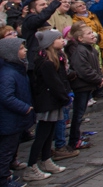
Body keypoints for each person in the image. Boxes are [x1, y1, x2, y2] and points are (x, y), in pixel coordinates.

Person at [26, 30, 71, 181]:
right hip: (47, 101)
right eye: (58, 38)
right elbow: (54, 83)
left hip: (54, 100)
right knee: (42, 135)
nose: (61, 40)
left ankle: (46, 160)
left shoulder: (57, 58)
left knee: (49, 133)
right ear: (50, 43)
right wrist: (64, 97)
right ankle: (31, 166)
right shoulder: (46, 62)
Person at [0, 36, 35, 187]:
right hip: (9, 120)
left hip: (14, 120)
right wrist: (24, 108)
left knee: (10, 149)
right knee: (6, 152)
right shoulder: (8, 73)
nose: (25, 50)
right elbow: (6, 97)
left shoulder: (17, 69)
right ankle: (3, 179)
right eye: (21, 48)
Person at [63, 24, 101, 154]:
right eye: (89, 33)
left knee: (80, 114)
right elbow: (83, 70)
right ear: (80, 38)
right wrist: (97, 79)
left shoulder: (90, 49)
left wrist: (99, 77)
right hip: (81, 86)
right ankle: (74, 140)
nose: (93, 35)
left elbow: (95, 66)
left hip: (88, 85)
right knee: (78, 114)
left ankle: (77, 136)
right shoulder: (80, 51)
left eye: (92, 32)